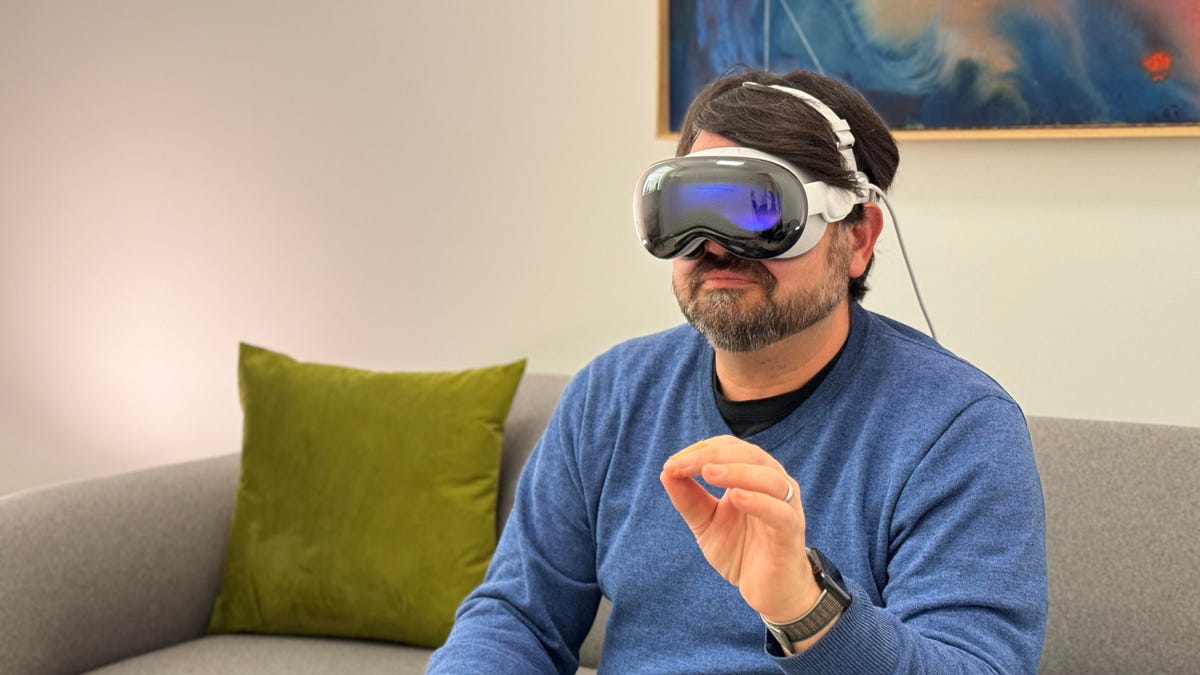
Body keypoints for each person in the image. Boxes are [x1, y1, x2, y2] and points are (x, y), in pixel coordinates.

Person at [427, 69, 1047, 674]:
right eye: (688, 210)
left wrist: (807, 611)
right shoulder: (612, 395)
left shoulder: (957, 430)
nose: (713, 245)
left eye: (757, 209)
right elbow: (517, 618)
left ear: (857, 239)